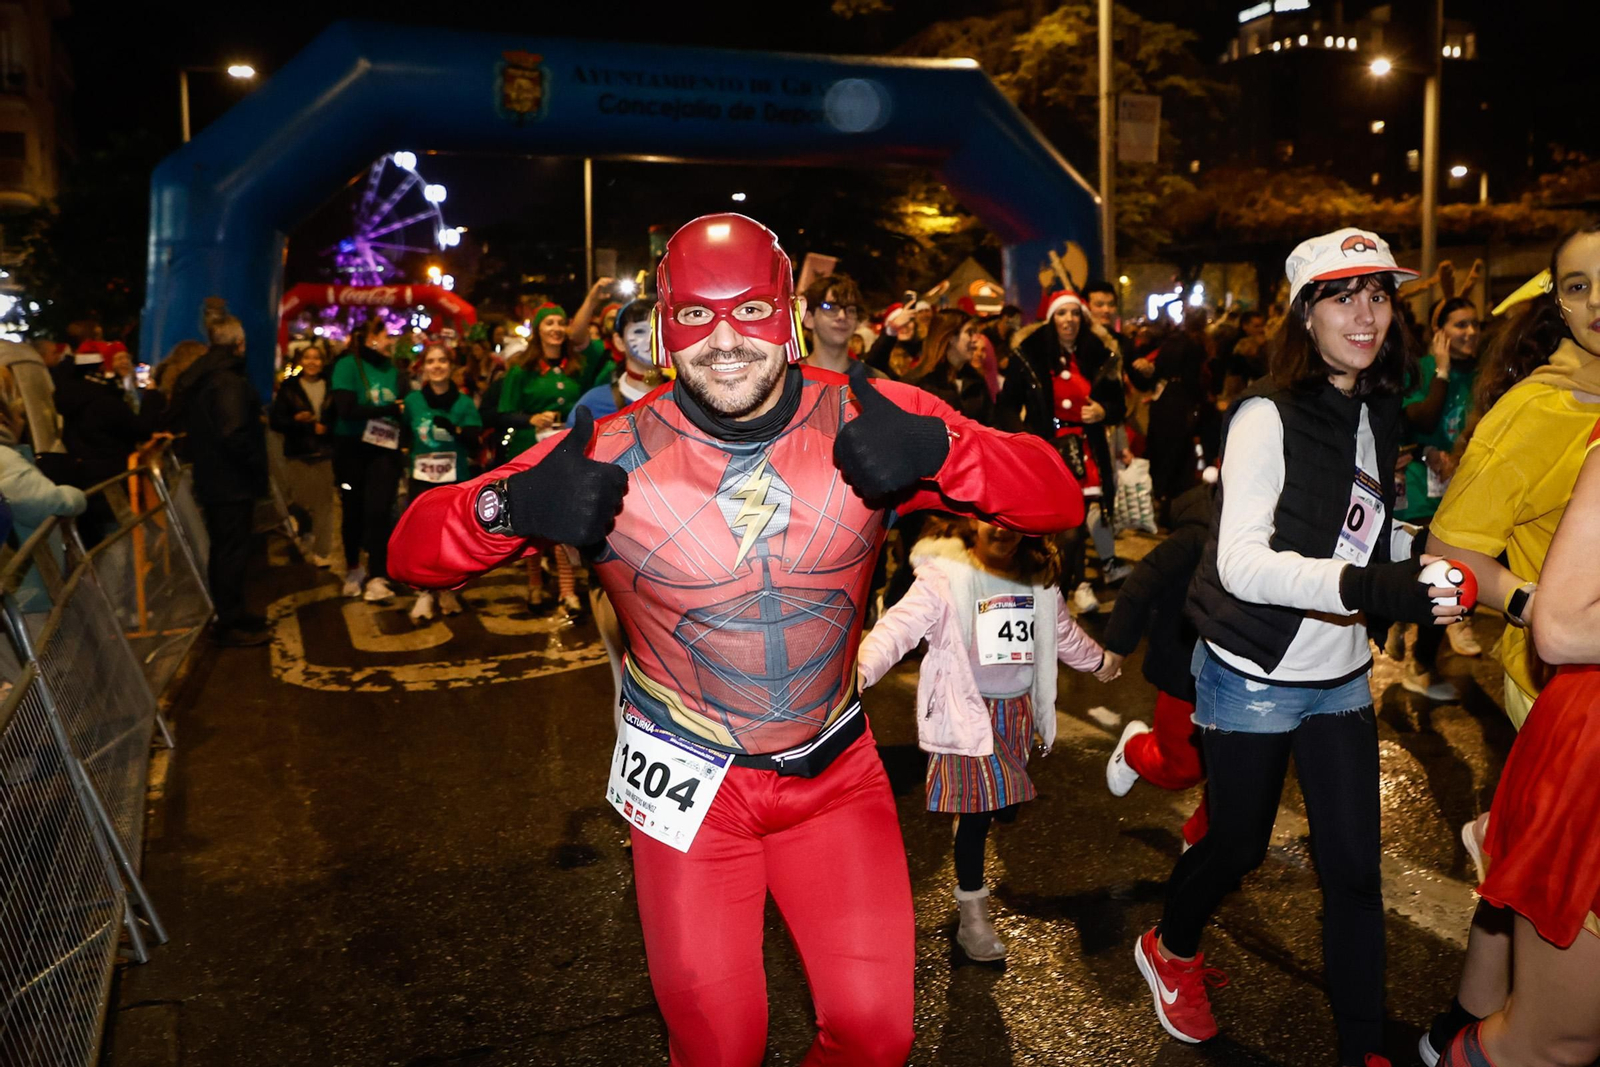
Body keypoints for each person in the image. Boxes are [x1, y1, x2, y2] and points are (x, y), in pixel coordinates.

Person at [387, 213, 1081, 1067]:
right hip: (691, 788)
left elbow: (1056, 497)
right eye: (695, 316)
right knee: (719, 1047)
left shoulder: (872, 413)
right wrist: (505, 507)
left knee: (876, 1035)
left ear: (788, 316)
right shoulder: (606, 449)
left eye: (749, 311)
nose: (723, 340)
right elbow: (412, 551)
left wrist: (946, 447)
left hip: (835, 775)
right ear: (664, 322)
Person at [1136, 228, 1465, 1067]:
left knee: (1354, 871)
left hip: (1341, 672)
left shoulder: (1376, 404)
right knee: (1239, 845)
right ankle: (1170, 947)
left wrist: (1421, 556)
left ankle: (1361, 1050)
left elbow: (1363, 525)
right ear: (1304, 312)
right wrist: (1368, 588)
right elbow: (1243, 561)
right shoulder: (1263, 412)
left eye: (1381, 294)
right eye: (1343, 295)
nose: (1367, 314)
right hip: (1255, 669)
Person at [1418, 224, 1600, 1065]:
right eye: (1577, 286)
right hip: (1557, 679)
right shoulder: (1539, 406)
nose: (1597, 301)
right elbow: (1447, 552)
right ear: (1555, 305)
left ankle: (1460, 1028)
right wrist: (1536, 606)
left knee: (1536, 877)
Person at [857, 518, 1115, 961]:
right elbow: (899, 626)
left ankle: (977, 809)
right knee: (978, 816)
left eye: (1015, 521)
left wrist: (1099, 661)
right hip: (965, 714)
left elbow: (1062, 634)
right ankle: (973, 917)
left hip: (1016, 712)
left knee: (1001, 805)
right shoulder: (944, 575)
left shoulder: (1037, 576)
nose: (1003, 530)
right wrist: (861, 670)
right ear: (969, 521)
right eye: (991, 519)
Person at [1435, 417, 1600, 1067]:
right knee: (1555, 1039)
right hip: (1583, 739)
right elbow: (1556, 622)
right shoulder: (1532, 405)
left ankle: (1506, 842)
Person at [1102, 481, 1215, 848]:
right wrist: (1118, 647)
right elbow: (1141, 583)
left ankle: (1200, 843)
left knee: (1245, 774)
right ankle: (1136, 749)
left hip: (1254, 674)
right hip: (1186, 670)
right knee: (1183, 768)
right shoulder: (1197, 535)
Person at [1391, 296, 1485, 701]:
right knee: (1432, 576)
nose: (1470, 332)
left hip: (1465, 490)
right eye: (1460, 325)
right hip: (1419, 493)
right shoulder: (1423, 371)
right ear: (1439, 332)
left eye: (1474, 325)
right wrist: (1441, 372)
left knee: (1456, 573)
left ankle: (1419, 643)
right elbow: (1419, 421)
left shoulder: (1487, 376)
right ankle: (1419, 658)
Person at [1003, 290, 1118, 612]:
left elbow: (1118, 401)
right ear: (1051, 318)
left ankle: (1067, 591)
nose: (1069, 319)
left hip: (1085, 453)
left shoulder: (1097, 353)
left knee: (1075, 525)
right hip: (1046, 452)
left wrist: (1103, 411)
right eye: (1062, 313)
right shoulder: (1029, 354)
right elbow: (1007, 406)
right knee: (1059, 530)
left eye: (1075, 313)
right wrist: (1026, 438)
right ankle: (1053, 592)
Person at [166, 316, 271, 648]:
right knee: (231, 552)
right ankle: (230, 620)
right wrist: (255, 466)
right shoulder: (227, 381)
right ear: (238, 343)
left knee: (226, 551)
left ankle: (233, 614)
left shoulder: (206, 377)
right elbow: (234, 432)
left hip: (215, 478)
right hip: (231, 481)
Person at [402, 343, 482, 622]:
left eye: (442, 361)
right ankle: (425, 591)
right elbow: (403, 433)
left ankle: (447, 588)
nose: (436, 366)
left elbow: (475, 438)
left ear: (451, 366)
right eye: (431, 361)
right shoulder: (413, 401)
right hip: (421, 478)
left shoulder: (463, 402)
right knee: (423, 536)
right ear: (423, 367)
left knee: (450, 537)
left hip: (454, 479)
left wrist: (456, 430)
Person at [330, 316, 406, 602]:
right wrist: (388, 408)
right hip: (351, 449)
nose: (392, 341)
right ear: (372, 337)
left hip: (385, 449)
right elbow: (346, 409)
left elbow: (405, 403)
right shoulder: (347, 365)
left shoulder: (394, 370)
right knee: (353, 510)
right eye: (387, 335)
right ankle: (353, 568)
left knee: (379, 510)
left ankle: (378, 574)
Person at [270, 344, 337, 568]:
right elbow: (276, 421)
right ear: (300, 361)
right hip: (298, 452)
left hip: (325, 452)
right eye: (307, 357)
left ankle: (323, 551)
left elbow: (339, 416)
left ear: (323, 361)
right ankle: (305, 531)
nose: (312, 362)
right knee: (299, 500)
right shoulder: (289, 388)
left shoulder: (332, 387)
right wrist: (298, 422)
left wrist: (328, 428)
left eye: (317, 358)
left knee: (325, 503)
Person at [566, 299, 665, 425]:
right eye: (639, 331)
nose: (652, 339)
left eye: (660, 330)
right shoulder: (593, 405)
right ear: (619, 342)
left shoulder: (687, 398)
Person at [905, 308, 993, 425]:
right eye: (969, 332)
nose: (976, 340)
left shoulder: (976, 382)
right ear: (950, 337)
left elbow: (991, 424)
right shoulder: (920, 383)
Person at [802, 272, 884, 378]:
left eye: (850, 310)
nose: (842, 316)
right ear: (809, 319)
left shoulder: (875, 383)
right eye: (831, 307)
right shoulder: (788, 381)